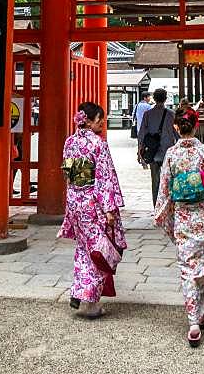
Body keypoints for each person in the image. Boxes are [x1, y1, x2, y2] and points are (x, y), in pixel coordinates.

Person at [155, 105, 204, 347]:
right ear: (196, 125)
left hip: (183, 219)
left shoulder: (171, 154)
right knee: (203, 269)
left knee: (188, 270)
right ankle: (203, 313)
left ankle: (193, 321)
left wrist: (163, 216)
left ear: (176, 127)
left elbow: (166, 190)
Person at [58, 101, 127, 319]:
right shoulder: (99, 144)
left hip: (75, 201)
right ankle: (90, 301)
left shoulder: (70, 142)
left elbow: (67, 173)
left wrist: (72, 198)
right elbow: (104, 178)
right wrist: (109, 209)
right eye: (100, 120)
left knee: (83, 248)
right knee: (98, 250)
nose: (102, 124)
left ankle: (79, 290)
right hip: (93, 204)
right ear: (88, 121)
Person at [138, 87, 177, 207]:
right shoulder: (171, 114)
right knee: (169, 179)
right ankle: (168, 204)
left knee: (155, 180)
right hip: (168, 150)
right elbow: (177, 133)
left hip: (152, 150)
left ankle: (156, 205)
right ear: (165, 99)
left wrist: (139, 151)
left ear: (154, 99)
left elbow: (142, 134)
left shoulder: (148, 114)